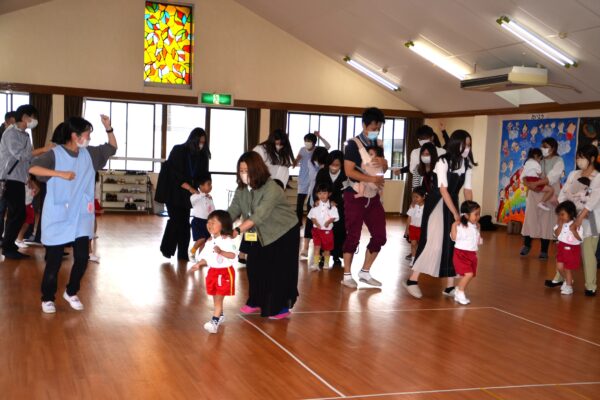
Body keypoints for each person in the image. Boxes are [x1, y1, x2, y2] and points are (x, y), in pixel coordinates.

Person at [29, 115, 117, 313]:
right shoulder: (55, 154)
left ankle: (71, 291)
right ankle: (48, 297)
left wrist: (109, 128)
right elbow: (33, 167)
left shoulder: (89, 154)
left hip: (81, 215)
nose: (89, 138)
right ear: (74, 135)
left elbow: (111, 148)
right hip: (59, 214)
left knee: (83, 257)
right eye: (87, 134)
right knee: (54, 261)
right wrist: (60, 174)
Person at [404, 130, 476, 299]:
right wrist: (456, 214)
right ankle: (412, 280)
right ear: (455, 144)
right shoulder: (442, 162)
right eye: (464, 144)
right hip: (437, 204)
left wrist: (469, 213)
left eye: (469, 145)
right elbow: (443, 190)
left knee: (452, 244)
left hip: (453, 205)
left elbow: (467, 190)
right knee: (434, 243)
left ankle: (450, 287)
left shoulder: (467, 165)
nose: (467, 148)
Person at [228, 151, 299, 319]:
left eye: (246, 170)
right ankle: (255, 301)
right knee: (254, 268)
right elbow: (233, 210)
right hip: (258, 233)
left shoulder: (272, 188)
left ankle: (280, 307)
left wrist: (237, 231)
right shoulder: (242, 189)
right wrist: (219, 224)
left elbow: (259, 215)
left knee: (277, 271)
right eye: (241, 170)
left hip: (283, 232)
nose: (243, 174)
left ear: (257, 169)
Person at [341, 107, 388, 288]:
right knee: (353, 235)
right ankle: (346, 275)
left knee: (380, 235)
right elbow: (348, 170)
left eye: (379, 128)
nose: (376, 131)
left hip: (373, 196)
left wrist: (384, 163)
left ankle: (365, 272)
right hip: (355, 195)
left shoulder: (379, 144)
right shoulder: (353, 144)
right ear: (364, 125)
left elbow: (381, 169)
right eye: (373, 127)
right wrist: (371, 179)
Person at [0, 105, 54, 259]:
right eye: (33, 117)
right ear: (24, 117)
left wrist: (29, 179)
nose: (34, 121)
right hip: (8, 178)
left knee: (16, 213)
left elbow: (28, 159)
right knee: (18, 213)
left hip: (19, 178)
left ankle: (8, 246)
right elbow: (20, 155)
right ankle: (8, 247)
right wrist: (44, 149)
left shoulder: (25, 135)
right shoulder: (10, 133)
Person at [546, 144, 600, 296]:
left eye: (582, 157)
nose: (579, 160)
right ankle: (560, 278)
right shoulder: (573, 174)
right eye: (577, 157)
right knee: (564, 250)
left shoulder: (598, 177)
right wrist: (565, 216)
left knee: (588, 253)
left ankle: (590, 286)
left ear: (592, 159)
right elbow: (563, 195)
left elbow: (592, 202)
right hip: (570, 219)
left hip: (590, 221)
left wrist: (579, 219)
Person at [159, 128, 210, 261]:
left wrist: (205, 191)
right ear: (193, 140)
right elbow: (173, 174)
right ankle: (167, 249)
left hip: (188, 196)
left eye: (204, 142)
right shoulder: (178, 150)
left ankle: (182, 255)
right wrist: (189, 188)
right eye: (199, 142)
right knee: (176, 220)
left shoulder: (202, 155)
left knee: (185, 223)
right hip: (174, 192)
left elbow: (202, 176)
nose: (201, 145)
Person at [189, 210, 238, 334]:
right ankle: (220, 315)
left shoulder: (227, 240)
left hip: (224, 273)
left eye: (213, 222)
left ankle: (214, 321)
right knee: (215, 296)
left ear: (223, 225)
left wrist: (221, 252)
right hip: (212, 272)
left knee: (218, 299)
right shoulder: (209, 241)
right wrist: (199, 264)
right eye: (208, 222)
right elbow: (206, 257)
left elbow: (233, 255)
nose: (209, 225)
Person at [520, 137, 565, 260]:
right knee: (531, 217)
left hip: (549, 192)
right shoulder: (538, 158)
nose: (543, 149)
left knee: (547, 221)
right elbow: (525, 173)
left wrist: (536, 183)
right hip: (535, 190)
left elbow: (552, 177)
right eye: (542, 146)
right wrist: (528, 183)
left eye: (546, 146)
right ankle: (527, 245)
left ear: (553, 148)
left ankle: (544, 251)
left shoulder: (558, 160)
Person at [313, 150, 346, 266]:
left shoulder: (345, 174)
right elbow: (316, 188)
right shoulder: (322, 172)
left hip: (339, 209)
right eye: (332, 164)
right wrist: (317, 199)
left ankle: (337, 256)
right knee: (323, 232)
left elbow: (347, 192)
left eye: (337, 164)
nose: (334, 167)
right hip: (323, 208)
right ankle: (322, 257)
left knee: (338, 232)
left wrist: (336, 201)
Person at [294, 131, 330, 224]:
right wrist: (294, 162)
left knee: (311, 202)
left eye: (309, 141)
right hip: (303, 179)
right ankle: (299, 223)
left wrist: (319, 136)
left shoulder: (317, 150)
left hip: (315, 181)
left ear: (314, 142)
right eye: (305, 141)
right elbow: (297, 159)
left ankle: (312, 221)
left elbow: (328, 146)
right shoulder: (302, 149)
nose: (307, 143)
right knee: (300, 203)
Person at [450, 200, 482, 305]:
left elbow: (477, 240)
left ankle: (459, 291)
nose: (478, 216)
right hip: (461, 254)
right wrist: (454, 225)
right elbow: (454, 238)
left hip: (472, 254)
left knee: (470, 275)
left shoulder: (474, 226)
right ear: (467, 215)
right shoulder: (461, 227)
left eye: (479, 214)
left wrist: (478, 232)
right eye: (475, 214)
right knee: (468, 274)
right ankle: (460, 292)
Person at [300, 146, 329, 258]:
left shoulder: (327, 168)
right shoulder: (311, 163)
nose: (317, 161)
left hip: (324, 197)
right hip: (313, 195)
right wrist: (319, 168)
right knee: (309, 222)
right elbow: (313, 177)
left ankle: (321, 249)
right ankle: (305, 248)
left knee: (322, 223)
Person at [307, 182, 339, 271]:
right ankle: (316, 264)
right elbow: (312, 216)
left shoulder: (332, 206)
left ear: (329, 194)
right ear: (317, 194)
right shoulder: (316, 205)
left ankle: (326, 263)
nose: (322, 195)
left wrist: (328, 222)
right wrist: (316, 223)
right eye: (320, 193)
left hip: (327, 231)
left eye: (324, 193)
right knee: (316, 246)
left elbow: (334, 217)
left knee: (327, 249)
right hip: (316, 230)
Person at [553, 201, 583, 296]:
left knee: (567, 269)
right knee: (559, 267)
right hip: (561, 247)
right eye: (559, 215)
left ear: (570, 214)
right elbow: (556, 235)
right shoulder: (560, 224)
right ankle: (568, 280)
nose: (560, 217)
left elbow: (580, 239)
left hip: (572, 249)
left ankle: (569, 287)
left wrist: (573, 231)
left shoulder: (576, 224)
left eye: (562, 214)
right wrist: (560, 226)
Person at [189, 174, 215, 260]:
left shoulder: (209, 197)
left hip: (207, 222)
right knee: (201, 239)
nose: (210, 186)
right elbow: (193, 201)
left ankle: (201, 257)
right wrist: (202, 194)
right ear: (201, 185)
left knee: (204, 241)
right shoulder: (195, 196)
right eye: (208, 184)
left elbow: (212, 209)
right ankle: (192, 251)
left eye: (211, 184)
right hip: (198, 221)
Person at [15, 178, 38, 248]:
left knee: (28, 220)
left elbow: (37, 189)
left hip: (28, 202)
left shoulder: (28, 178)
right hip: (24, 203)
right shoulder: (23, 178)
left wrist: (33, 192)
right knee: (26, 221)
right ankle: (18, 239)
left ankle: (19, 238)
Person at [406, 186, 426, 265]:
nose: (414, 199)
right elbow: (409, 217)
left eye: (417, 197)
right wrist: (407, 229)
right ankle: (413, 259)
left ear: (423, 197)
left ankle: (420, 260)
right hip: (412, 228)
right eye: (413, 197)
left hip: (421, 229)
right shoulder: (413, 206)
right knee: (413, 244)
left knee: (421, 245)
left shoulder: (426, 207)